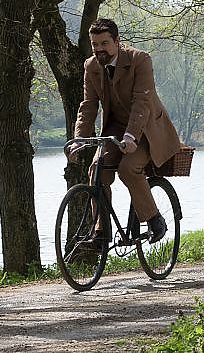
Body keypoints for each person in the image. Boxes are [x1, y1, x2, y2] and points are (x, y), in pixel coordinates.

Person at [71, 18, 181, 244]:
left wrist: (131, 137)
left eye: (104, 43)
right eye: (95, 44)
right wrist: (79, 139)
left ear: (117, 41)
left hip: (145, 129)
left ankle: (154, 219)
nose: (99, 49)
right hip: (114, 129)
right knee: (96, 171)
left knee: (128, 168)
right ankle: (101, 232)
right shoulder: (91, 66)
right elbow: (88, 105)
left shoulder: (139, 60)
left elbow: (142, 101)